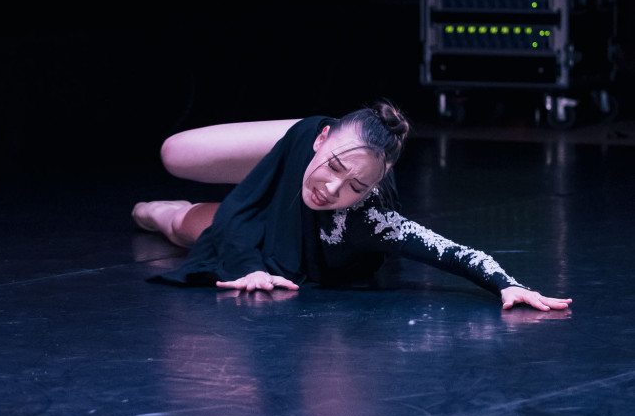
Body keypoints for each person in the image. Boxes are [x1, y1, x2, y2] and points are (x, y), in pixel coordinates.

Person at [133, 103, 571, 311]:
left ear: (371, 189)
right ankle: (149, 210)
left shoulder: (372, 220)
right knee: (174, 163)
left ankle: (161, 212)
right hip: (298, 163)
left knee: (183, 227)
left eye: (354, 186)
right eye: (334, 167)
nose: (331, 189)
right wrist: (248, 266)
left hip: (298, 236)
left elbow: (454, 252)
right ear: (322, 140)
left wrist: (507, 284)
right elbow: (242, 209)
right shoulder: (311, 139)